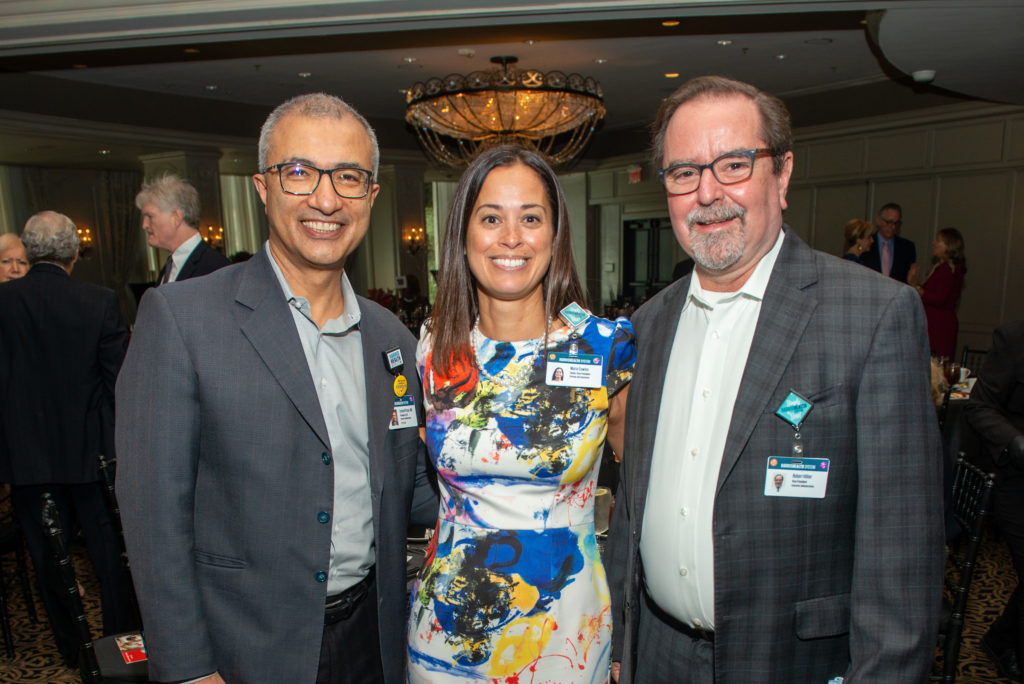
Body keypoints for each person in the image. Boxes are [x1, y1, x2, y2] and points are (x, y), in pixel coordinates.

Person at [605, 75, 944, 683]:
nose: (707, 192)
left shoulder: (872, 316)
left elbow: (902, 556)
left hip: (791, 664)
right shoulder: (647, 326)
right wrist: (622, 647)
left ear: (782, 175)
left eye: (733, 164)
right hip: (655, 656)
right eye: (684, 172)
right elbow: (632, 507)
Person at [116, 92, 437, 684]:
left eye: (347, 177)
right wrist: (188, 668)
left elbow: (411, 484)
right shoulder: (182, 319)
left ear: (370, 195)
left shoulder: (389, 335)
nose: (324, 198)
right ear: (262, 188)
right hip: (245, 647)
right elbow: (152, 514)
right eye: (298, 172)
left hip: (374, 635)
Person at [407, 145, 635, 682]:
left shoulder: (603, 349)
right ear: (464, 236)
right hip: (446, 634)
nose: (512, 237)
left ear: (554, 237)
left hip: (566, 627)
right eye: (491, 218)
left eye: (530, 218)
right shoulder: (433, 352)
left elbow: (642, 498)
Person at [0, 211, 135, 666]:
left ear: (29, 250)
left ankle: (72, 653)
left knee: (48, 561)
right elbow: (120, 384)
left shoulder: (3, 302)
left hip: (26, 461)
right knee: (109, 560)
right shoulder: (98, 301)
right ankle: (116, 648)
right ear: (74, 253)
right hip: (90, 458)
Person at [965, 321, 1024, 681]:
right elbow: (979, 408)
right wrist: (1017, 443)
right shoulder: (1015, 337)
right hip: (1015, 479)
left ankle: (1002, 637)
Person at [135, 174, 230, 284]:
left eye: (150, 216)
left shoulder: (215, 267)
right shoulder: (169, 267)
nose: (144, 225)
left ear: (176, 217)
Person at [909, 227, 966, 359]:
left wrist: (915, 286)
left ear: (949, 246)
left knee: (936, 363)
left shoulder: (948, 270)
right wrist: (916, 284)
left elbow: (939, 298)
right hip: (935, 323)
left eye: (938, 241)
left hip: (939, 326)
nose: (934, 243)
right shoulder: (942, 267)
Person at [861, 202, 917, 282]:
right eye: (888, 222)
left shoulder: (907, 247)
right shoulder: (866, 243)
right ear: (878, 220)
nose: (893, 227)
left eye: (896, 223)